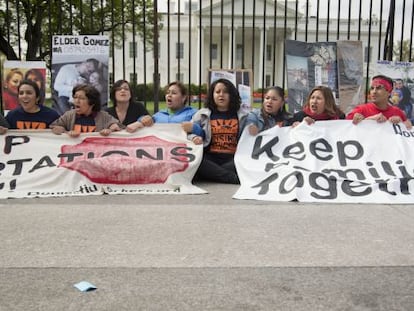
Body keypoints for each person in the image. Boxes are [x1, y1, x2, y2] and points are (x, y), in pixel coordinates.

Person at [188, 78, 244, 184]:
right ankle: (233, 178)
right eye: (217, 92)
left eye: (225, 92)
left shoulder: (242, 116)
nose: (221, 95)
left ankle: (213, 175)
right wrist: (194, 137)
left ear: (232, 95)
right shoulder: (202, 114)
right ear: (212, 95)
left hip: (233, 159)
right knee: (197, 161)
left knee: (244, 161)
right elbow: (187, 133)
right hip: (209, 158)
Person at [50, 84, 121, 138]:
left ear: (92, 102)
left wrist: (111, 129)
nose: (77, 101)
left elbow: (118, 127)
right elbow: (54, 126)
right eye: (75, 97)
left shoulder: (103, 116)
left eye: (81, 98)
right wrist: (64, 131)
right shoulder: (69, 115)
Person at [126, 81, 197, 132]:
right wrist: (141, 120)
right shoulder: (159, 114)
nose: (169, 95)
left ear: (183, 98)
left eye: (174, 93)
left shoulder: (193, 113)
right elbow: (147, 120)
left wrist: (194, 128)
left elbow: (204, 133)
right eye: (168, 92)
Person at [346, 75, 412, 129]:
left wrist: (402, 123)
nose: (374, 92)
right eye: (372, 88)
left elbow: (408, 134)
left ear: (389, 92)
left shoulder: (398, 112)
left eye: (379, 88)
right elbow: (342, 129)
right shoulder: (360, 110)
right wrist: (367, 120)